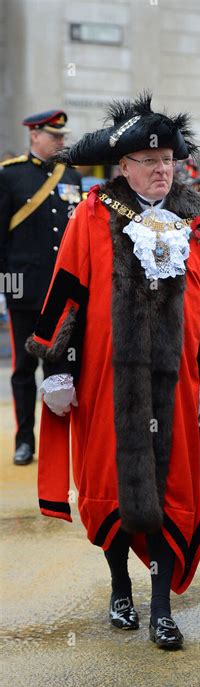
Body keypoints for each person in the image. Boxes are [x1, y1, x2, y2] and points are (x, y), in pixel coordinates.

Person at [25, 93, 200, 650]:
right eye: (148, 162)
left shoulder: (197, 222)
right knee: (112, 488)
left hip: (177, 384)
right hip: (106, 380)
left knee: (173, 489)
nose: (160, 170)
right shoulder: (93, 212)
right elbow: (66, 291)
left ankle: (162, 609)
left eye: (168, 160)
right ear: (124, 167)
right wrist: (56, 367)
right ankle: (121, 585)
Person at [0, 110, 82, 465]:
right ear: (35, 135)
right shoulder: (10, 176)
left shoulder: (73, 176)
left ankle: (55, 441)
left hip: (61, 294)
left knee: (59, 369)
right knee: (23, 371)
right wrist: (7, 288)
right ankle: (24, 441)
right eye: (54, 136)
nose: (61, 142)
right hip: (24, 291)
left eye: (63, 137)